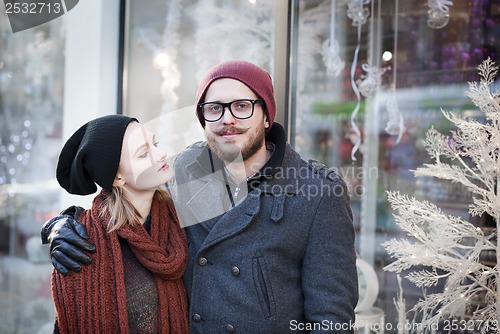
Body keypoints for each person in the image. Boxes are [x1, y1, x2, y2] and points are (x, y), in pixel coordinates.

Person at [41, 60, 358, 333]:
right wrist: (61, 224)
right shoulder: (183, 172)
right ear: (203, 119)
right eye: (214, 108)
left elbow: (331, 318)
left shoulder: (317, 192)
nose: (227, 119)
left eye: (242, 106)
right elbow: (126, 209)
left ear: (266, 116)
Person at [49, 115, 188, 333]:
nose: (161, 154)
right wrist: (56, 225)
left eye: (155, 144)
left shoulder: (181, 214)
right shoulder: (81, 244)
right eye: (144, 154)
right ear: (117, 178)